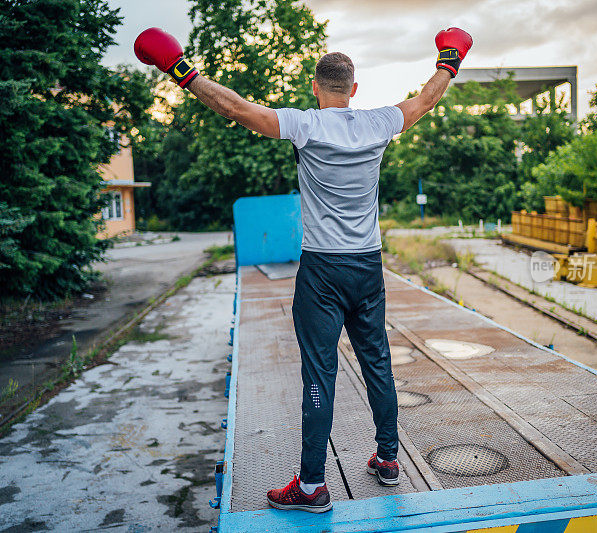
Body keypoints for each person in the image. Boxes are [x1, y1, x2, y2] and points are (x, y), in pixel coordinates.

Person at [134, 26, 472, 513]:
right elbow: (426, 99)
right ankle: (388, 458)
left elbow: (234, 108)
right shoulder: (379, 122)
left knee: (320, 372)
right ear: (354, 89)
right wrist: (449, 61)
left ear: (316, 87)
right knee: (377, 361)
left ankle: (312, 486)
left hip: (322, 273)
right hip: (368, 268)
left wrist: (180, 70)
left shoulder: (306, 124)